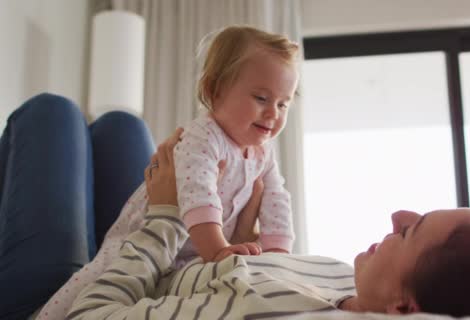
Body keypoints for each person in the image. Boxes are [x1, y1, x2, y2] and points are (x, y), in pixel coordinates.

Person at [64, 127, 470, 319]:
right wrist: (242, 242)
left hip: (86, 288)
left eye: (410, 232)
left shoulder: (263, 312)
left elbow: (91, 315)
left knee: (54, 117)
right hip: (155, 254)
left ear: (404, 306)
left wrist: (162, 217)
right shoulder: (342, 278)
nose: (398, 215)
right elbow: (231, 271)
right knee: (118, 127)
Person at [35, 25, 299, 319]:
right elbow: (198, 194)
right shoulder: (204, 136)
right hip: (141, 240)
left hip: (188, 257)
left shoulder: (264, 153)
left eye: (283, 103)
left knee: (93, 120)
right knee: (93, 279)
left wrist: (278, 257)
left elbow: (278, 200)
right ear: (215, 90)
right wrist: (218, 251)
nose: (274, 113)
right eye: (261, 99)